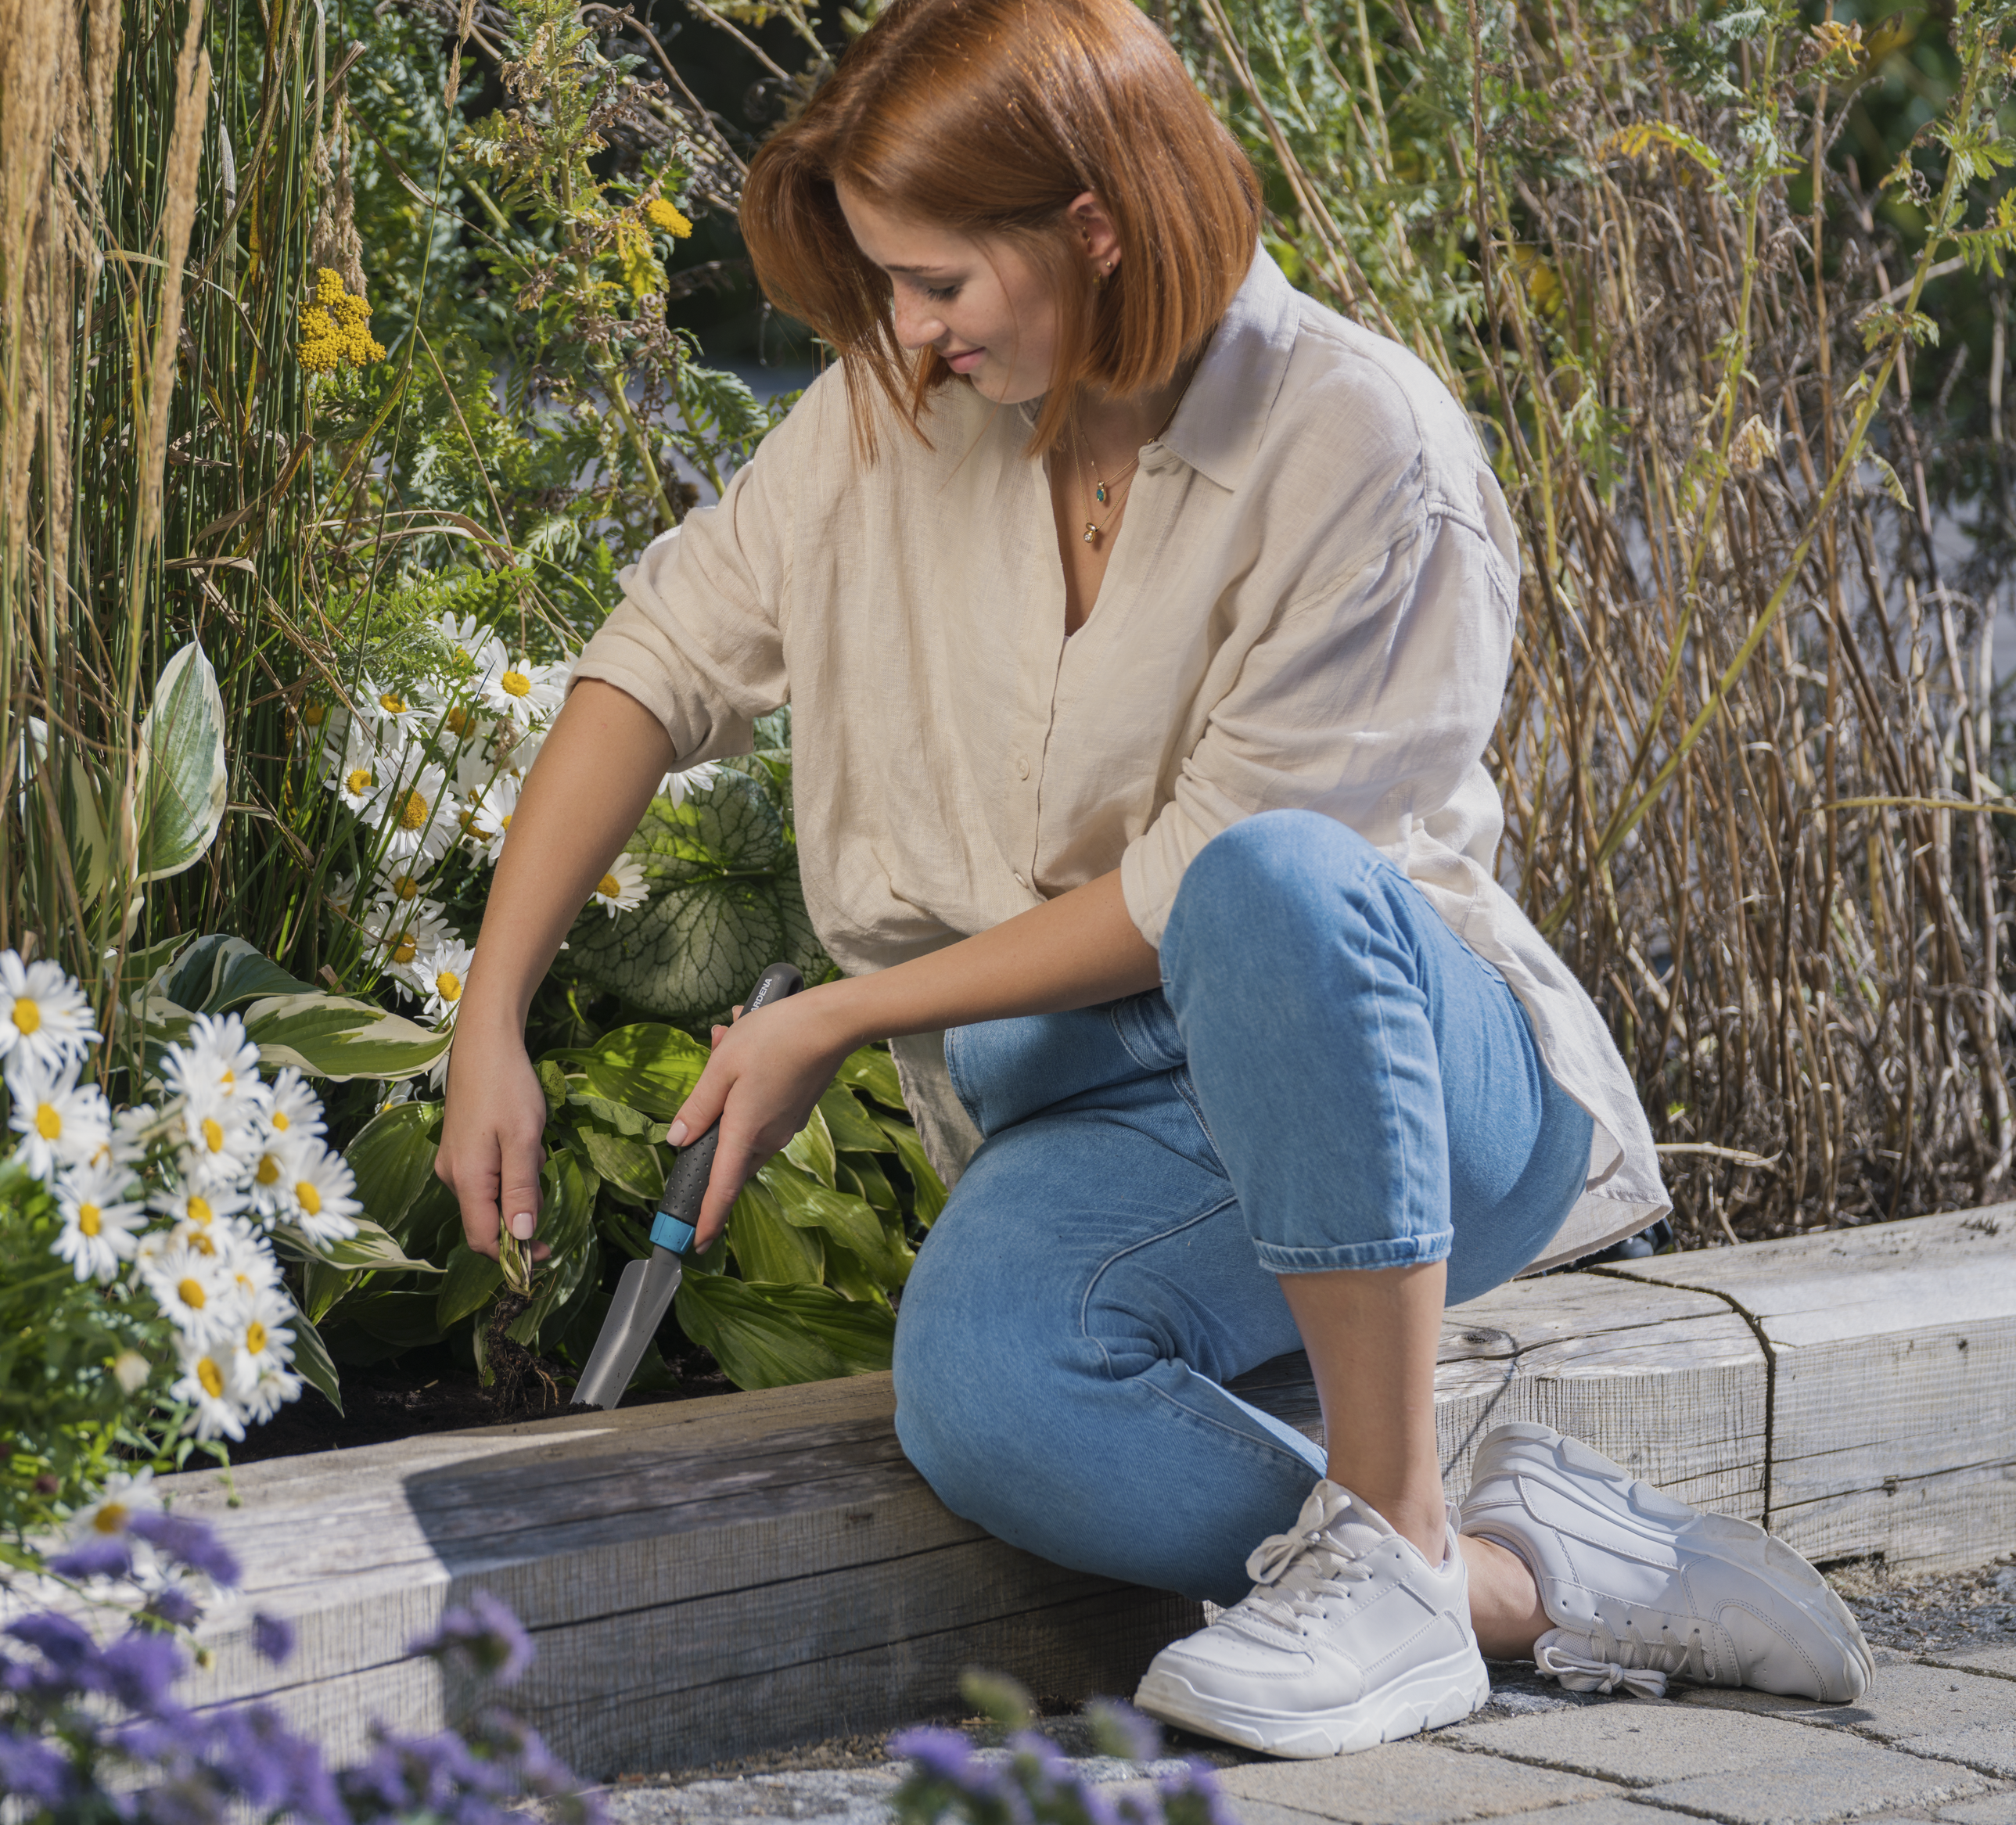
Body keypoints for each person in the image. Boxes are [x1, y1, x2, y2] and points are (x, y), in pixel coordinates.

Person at [433, 0, 1872, 1758]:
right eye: (886, 285)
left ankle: (1389, 1520)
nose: (906, 331)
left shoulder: (1362, 446)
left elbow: (1209, 885)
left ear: (1093, 227)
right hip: (1101, 1102)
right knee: (985, 1397)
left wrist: (841, 1013)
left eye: (937, 281)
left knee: (1270, 879)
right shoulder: (900, 414)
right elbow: (656, 664)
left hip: (1397, 1072)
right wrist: (490, 1011)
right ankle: (1506, 1573)